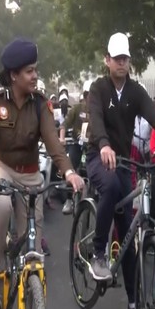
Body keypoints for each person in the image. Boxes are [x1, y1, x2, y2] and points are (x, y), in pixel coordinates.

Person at [0, 38, 84, 307]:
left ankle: (29, 300)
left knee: (31, 243)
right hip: (1, 168)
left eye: (36, 70)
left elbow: (54, 144)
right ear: (14, 75)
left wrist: (68, 171)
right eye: (29, 71)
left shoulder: (40, 104)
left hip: (32, 174)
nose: (35, 76)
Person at [86, 32, 155, 309]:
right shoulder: (99, 89)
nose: (121, 63)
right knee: (111, 186)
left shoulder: (136, 91)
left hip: (124, 161)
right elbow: (94, 119)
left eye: (125, 58)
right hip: (98, 155)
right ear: (107, 60)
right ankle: (98, 253)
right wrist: (103, 143)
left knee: (130, 235)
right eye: (116, 58)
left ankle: (134, 303)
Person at [59, 80, 91, 214]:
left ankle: (95, 198)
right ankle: (68, 200)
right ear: (85, 95)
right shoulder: (77, 108)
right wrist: (61, 138)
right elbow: (64, 125)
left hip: (92, 147)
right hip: (76, 144)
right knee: (70, 165)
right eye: (90, 94)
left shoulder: (99, 110)